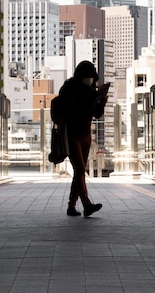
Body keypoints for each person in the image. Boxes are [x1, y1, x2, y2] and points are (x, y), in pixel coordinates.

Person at [58, 60, 108, 217]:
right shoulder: (69, 88)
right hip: (71, 133)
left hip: (86, 134)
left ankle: (71, 206)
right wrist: (90, 99)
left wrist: (101, 102)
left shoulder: (91, 90)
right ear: (81, 75)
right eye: (88, 76)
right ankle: (86, 204)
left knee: (79, 171)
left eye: (92, 77)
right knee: (79, 169)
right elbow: (69, 108)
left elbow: (97, 114)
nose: (90, 80)